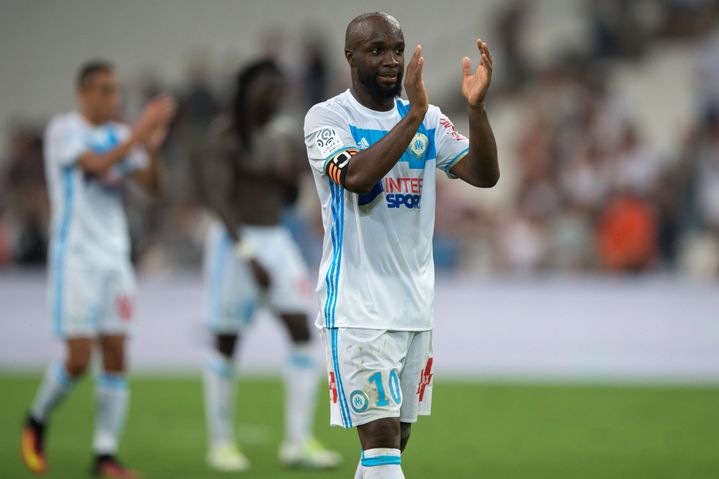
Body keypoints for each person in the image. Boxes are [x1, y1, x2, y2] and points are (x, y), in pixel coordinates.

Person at [304, 12, 499, 479]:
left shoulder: (429, 119)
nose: (390, 60)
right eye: (377, 50)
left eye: (397, 49)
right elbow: (355, 177)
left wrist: (475, 109)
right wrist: (413, 115)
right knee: (382, 440)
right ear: (351, 56)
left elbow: (485, 175)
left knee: (394, 442)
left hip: (414, 306)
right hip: (357, 306)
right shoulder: (327, 118)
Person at [20, 60, 175, 478]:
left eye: (116, 89)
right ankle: (35, 420)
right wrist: (142, 131)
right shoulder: (64, 130)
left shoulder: (121, 134)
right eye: (105, 90)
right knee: (77, 358)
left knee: (116, 352)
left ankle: (104, 455)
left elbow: (154, 187)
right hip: (76, 258)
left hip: (114, 258)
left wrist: (153, 150)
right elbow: (95, 166)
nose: (113, 97)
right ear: (84, 94)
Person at [200, 59, 341, 472]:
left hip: (275, 238)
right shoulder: (225, 135)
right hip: (235, 243)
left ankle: (298, 441)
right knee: (227, 340)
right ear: (247, 89)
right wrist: (247, 254)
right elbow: (218, 198)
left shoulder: (281, 135)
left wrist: (288, 180)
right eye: (267, 88)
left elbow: (287, 199)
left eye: (279, 88)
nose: (274, 96)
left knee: (301, 330)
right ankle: (221, 443)